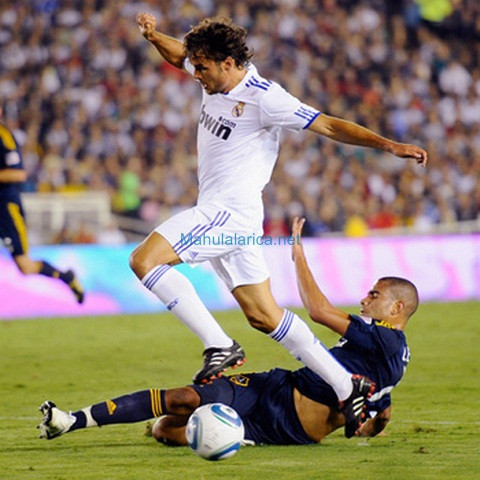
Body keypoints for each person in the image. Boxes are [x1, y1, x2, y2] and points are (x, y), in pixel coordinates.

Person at [129, 14, 427, 433]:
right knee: (265, 317)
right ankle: (347, 386)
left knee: (144, 261)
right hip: (237, 218)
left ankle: (219, 344)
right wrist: (153, 36)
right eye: (195, 65)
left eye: (203, 67)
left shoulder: (266, 98)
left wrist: (388, 145)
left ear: (228, 63)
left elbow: (328, 124)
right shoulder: (212, 77)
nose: (195, 74)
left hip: (227, 212)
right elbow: (180, 55)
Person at [37, 217, 419, 444]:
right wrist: (372, 427)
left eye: (375, 294)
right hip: (276, 387)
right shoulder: (393, 359)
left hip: (283, 428)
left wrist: (298, 256)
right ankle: (71, 420)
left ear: (397, 308)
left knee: (167, 432)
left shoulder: (384, 336)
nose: (365, 298)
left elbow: (318, 311)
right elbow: (379, 414)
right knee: (181, 402)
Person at [0, 105, 84, 304]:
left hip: (5, 207)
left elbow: (18, 173)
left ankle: (66, 277)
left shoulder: (4, 136)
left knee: (25, 266)